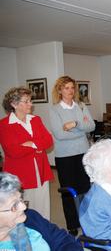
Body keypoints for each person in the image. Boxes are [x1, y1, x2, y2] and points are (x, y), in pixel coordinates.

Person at [49, 76, 95, 235]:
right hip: (64, 157)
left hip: (83, 153)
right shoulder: (55, 110)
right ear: (60, 90)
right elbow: (59, 135)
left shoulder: (81, 106)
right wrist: (80, 132)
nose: (70, 91)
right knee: (69, 191)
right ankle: (72, 224)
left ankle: (87, 219)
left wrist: (75, 125)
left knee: (85, 188)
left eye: (72, 88)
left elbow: (91, 126)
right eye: (66, 88)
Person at [0, 87, 53, 219]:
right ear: (14, 104)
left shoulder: (36, 119)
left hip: (41, 170)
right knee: (23, 210)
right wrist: (37, 145)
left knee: (43, 208)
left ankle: (44, 232)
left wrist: (31, 144)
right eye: (27, 101)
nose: (31, 104)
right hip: (20, 174)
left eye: (30, 100)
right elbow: (13, 151)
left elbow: (48, 141)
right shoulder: (4, 125)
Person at [0, 172, 50, 250]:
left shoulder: (33, 235)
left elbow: (62, 239)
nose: (24, 207)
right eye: (14, 205)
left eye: (21, 199)